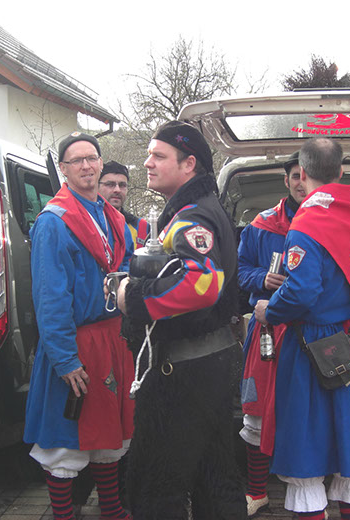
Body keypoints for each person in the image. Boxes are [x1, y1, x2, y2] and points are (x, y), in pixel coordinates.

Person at [115, 120, 246, 520]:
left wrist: (131, 297)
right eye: (149, 155)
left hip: (182, 376)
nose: (147, 163)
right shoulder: (202, 209)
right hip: (209, 366)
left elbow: (202, 284)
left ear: (189, 164)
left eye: (158, 156)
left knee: (154, 487)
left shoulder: (192, 217)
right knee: (215, 481)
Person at [253, 137, 350, 520]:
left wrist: (269, 311)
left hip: (310, 346)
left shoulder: (307, 222)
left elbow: (302, 291)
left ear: (303, 173)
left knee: (306, 451)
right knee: (349, 449)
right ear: (341, 171)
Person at [23, 132, 134, 520]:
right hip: (77, 342)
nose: (86, 166)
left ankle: (112, 509)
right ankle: (63, 515)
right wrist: (65, 359)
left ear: (100, 163)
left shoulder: (113, 217)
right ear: (64, 170)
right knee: (65, 441)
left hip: (113, 339)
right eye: (76, 161)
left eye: (92, 158)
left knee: (108, 434)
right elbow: (49, 297)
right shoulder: (53, 223)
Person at [237, 151, 307, 516]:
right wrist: (262, 278)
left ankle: (308, 492)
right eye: (295, 176)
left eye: (307, 175)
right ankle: (257, 491)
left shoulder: (330, 223)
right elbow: (239, 270)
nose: (301, 182)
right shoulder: (261, 225)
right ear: (286, 180)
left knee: (306, 412)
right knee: (257, 410)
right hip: (267, 331)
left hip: (312, 333)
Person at [98, 161, 148, 250]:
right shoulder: (87, 224)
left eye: (122, 185)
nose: (117, 190)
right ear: (96, 187)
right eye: (110, 184)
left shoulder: (142, 227)